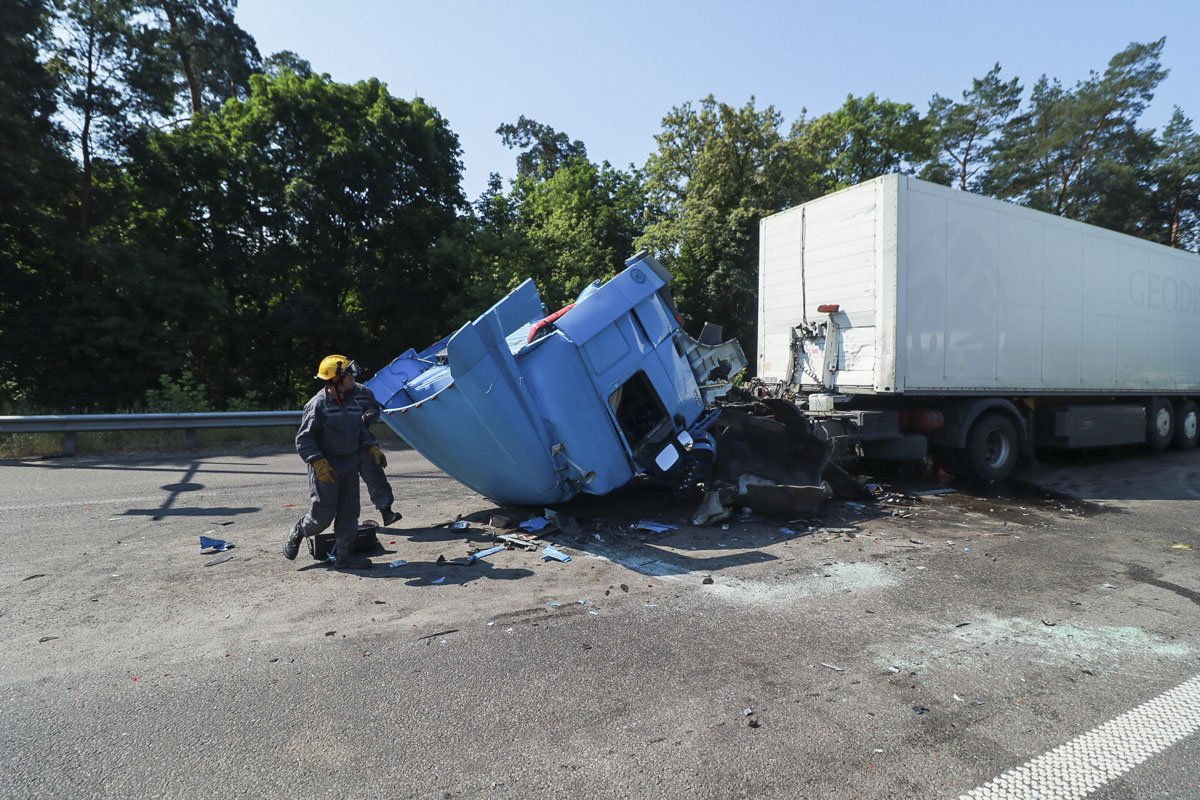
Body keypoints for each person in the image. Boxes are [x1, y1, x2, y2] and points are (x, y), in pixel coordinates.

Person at [283, 354, 379, 570]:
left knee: (349, 513)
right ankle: (299, 530)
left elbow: (360, 429)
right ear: (336, 379)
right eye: (348, 375)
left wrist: (371, 445)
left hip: (349, 464)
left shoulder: (354, 402)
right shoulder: (318, 405)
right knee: (322, 517)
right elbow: (304, 439)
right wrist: (318, 463)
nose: (353, 378)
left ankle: (344, 557)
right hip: (325, 467)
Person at [355, 384, 402, 526]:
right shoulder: (326, 397)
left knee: (376, 477)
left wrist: (371, 414)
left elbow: (374, 409)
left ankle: (386, 512)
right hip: (340, 447)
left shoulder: (362, 391)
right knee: (344, 485)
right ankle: (346, 522)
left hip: (363, 443)